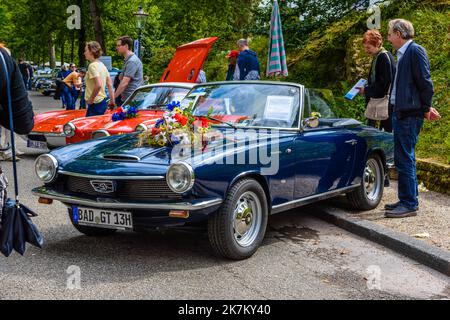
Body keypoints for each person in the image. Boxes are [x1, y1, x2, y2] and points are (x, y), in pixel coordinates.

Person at [384, 19, 438, 219]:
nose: (388, 38)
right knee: (405, 158)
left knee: (405, 159)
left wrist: (425, 108)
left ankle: (408, 204)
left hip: (409, 115)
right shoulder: (404, 54)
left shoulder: (415, 51)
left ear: (399, 33)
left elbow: (426, 83)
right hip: (402, 113)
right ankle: (407, 199)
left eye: (390, 33)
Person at [0, 44, 34, 163]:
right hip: (10, 108)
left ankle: (10, 148)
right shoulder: (5, 60)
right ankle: (8, 149)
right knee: (10, 126)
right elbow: (23, 123)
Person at [358, 29, 395, 132]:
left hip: (384, 104)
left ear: (377, 44)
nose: (366, 50)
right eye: (365, 47)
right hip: (378, 102)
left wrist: (366, 90)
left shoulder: (383, 57)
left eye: (368, 47)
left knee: (384, 133)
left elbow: (384, 83)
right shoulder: (378, 56)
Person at [84, 41, 115, 117]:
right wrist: (112, 101)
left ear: (91, 51)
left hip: (95, 103)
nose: (84, 53)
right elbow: (110, 84)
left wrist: (91, 99)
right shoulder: (102, 65)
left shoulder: (92, 66)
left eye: (86, 50)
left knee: (89, 127)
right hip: (102, 102)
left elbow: (98, 85)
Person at [114, 36, 144, 105]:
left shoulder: (132, 61)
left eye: (119, 45)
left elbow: (124, 83)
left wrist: (113, 98)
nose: (117, 48)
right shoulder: (127, 60)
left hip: (133, 100)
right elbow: (121, 78)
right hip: (129, 99)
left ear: (126, 46)